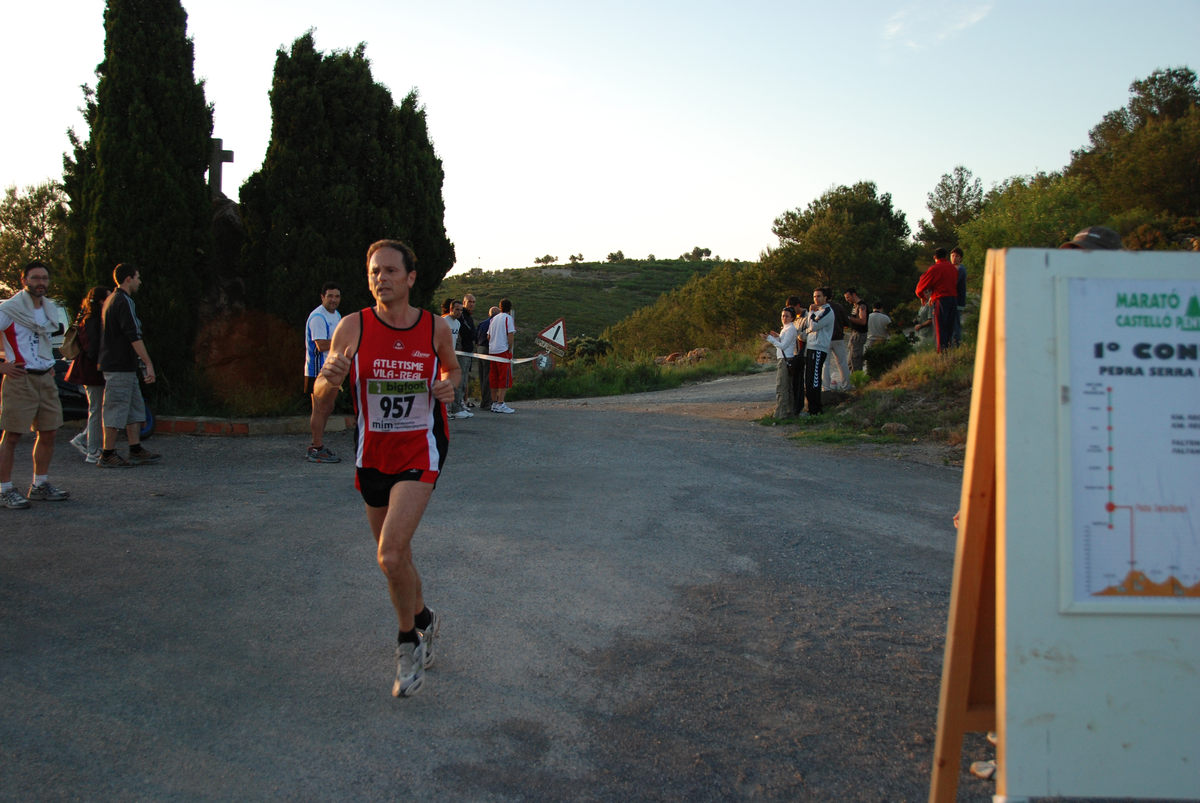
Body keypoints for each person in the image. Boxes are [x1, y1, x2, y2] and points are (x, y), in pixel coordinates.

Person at [313, 239, 460, 698]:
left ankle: (406, 642)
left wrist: (448, 386)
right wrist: (327, 382)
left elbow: (452, 370)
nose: (381, 278)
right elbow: (321, 394)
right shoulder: (352, 326)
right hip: (372, 454)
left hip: (421, 449)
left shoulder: (435, 327)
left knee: (390, 555)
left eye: (391, 270)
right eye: (375, 271)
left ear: (410, 278)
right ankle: (426, 619)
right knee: (398, 556)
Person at [0, 261, 70, 508]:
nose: (41, 283)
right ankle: (4, 489)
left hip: (45, 377)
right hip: (20, 378)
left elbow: (44, 342)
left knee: (49, 431)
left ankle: (40, 484)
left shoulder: (49, 309)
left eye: (44, 278)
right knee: (12, 435)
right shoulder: (9, 309)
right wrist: (1, 365)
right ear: (24, 280)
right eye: (35, 278)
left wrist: (48, 363)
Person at [97, 263, 160, 468]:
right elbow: (133, 334)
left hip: (123, 365)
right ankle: (107, 454)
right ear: (128, 279)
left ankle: (135, 448)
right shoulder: (124, 301)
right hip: (118, 366)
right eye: (137, 277)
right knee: (115, 409)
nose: (139, 282)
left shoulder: (111, 300)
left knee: (134, 408)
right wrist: (148, 363)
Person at [66, 286, 111, 463]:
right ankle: (92, 450)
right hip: (92, 370)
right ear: (101, 301)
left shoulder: (86, 318)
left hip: (90, 368)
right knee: (96, 410)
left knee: (98, 409)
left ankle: (85, 440)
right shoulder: (93, 320)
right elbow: (93, 347)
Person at [304, 282, 342, 463]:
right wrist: (345, 343)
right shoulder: (318, 317)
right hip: (318, 370)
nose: (333, 300)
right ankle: (316, 447)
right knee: (320, 409)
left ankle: (318, 444)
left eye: (337, 296)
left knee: (328, 407)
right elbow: (321, 344)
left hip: (332, 369)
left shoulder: (336, 315)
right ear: (322, 297)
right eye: (330, 296)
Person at [914, 247, 958, 353]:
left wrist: (922, 297)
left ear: (935, 257)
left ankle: (942, 352)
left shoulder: (935, 269)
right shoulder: (953, 268)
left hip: (941, 300)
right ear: (946, 256)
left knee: (940, 328)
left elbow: (920, 286)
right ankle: (950, 349)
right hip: (953, 299)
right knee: (950, 327)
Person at [798, 288, 835, 416]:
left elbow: (813, 326)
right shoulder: (817, 311)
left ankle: (816, 409)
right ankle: (811, 408)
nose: (816, 299)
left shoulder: (827, 311)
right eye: (814, 296)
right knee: (808, 379)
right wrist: (812, 316)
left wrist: (811, 313)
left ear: (825, 297)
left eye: (819, 296)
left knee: (814, 379)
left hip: (819, 348)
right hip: (811, 347)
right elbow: (810, 327)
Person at [763, 307, 800, 419]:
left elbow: (783, 346)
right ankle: (789, 412)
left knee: (782, 386)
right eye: (783, 316)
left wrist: (770, 339)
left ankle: (781, 414)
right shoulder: (786, 328)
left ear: (792, 318)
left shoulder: (791, 329)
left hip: (785, 359)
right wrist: (778, 337)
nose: (784, 318)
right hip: (784, 358)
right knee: (787, 387)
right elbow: (783, 343)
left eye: (787, 316)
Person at [441, 299, 471, 419]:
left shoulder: (457, 324)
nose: (459, 312)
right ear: (451, 309)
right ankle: (443, 411)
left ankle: (449, 409)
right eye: (457, 309)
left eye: (461, 310)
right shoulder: (443, 321)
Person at [487, 298, 516, 414]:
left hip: (492, 351)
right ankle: (500, 403)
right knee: (504, 378)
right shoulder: (508, 318)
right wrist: (509, 348)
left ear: (500, 307)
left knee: (494, 377)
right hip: (502, 351)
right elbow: (510, 335)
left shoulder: (493, 319)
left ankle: (494, 403)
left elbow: (488, 336)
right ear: (510, 308)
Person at [823, 292, 851, 391]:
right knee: (842, 363)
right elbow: (846, 322)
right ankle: (846, 386)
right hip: (838, 337)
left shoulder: (821, 308)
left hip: (826, 339)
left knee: (825, 364)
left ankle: (826, 387)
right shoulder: (838, 307)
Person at [843, 288, 869, 374]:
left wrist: (848, 318)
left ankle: (858, 379)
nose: (847, 300)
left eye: (848, 297)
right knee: (850, 361)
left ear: (854, 294)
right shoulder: (855, 306)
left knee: (855, 359)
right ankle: (852, 378)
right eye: (846, 298)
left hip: (859, 334)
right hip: (853, 334)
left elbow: (863, 321)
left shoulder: (862, 306)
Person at [458, 294, 477, 408]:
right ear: (464, 302)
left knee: (465, 378)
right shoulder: (462, 315)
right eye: (470, 301)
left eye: (474, 302)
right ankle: (459, 402)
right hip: (462, 350)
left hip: (468, 351)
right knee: (461, 378)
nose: (472, 304)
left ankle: (463, 401)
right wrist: (473, 335)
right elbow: (468, 332)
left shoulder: (469, 316)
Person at [949, 247, 967, 346]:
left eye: (956, 256)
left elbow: (954, 283)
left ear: (960, 258)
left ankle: (957, 344)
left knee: (955, 323)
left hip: (958, 301)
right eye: (952, 256)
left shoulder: (960, 269)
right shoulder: (951, 268)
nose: (954, 258)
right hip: (952, 300)